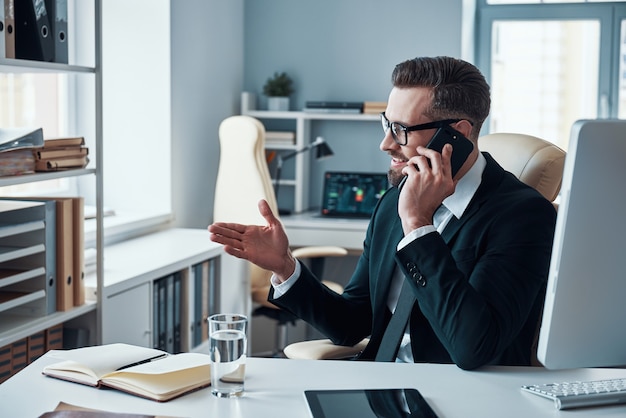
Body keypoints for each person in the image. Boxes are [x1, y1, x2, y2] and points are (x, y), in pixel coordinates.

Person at [209, 56, 556, 370]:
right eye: (385, 124)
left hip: (459, 396)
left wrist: (418, 226)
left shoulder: (523, 216)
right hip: (380, 386)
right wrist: (284, 267)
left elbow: (473, 348)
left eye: (401, 130)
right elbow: (353, 323)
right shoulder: (394, 202)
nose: (386, 144)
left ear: (458, 134)